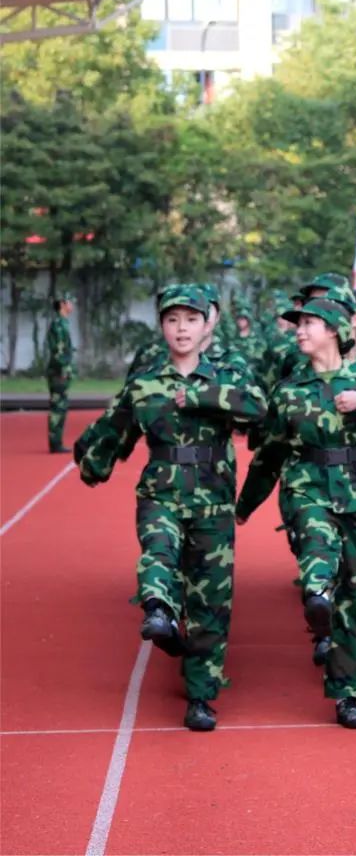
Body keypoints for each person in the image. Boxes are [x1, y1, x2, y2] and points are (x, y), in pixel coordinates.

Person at [75, 285, 266, 731]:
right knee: (158, 550)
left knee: (210, 601)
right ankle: (158, 609)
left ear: (207, 324)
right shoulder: (144, 383)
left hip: (213, 502)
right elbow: (115, 430)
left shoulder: (227, 375)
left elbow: (260, 408)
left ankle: (200, 695)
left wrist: (201, 397)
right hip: (160, 492)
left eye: (191, 320)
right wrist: (93, 464)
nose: (181, 329)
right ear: (161, 325)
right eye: (173, 320)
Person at [235, 297, 356, 729]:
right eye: (298, 324)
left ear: (336, 330)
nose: (300, 330)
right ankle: (318, 592)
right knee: (317, 549)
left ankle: (346, 691)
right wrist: (246, 504)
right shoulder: (289, 390)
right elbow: (270, 455)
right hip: (309, 489)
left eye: (310, 323)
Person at [45, 294, 76, 453]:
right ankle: (55, 442)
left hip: (61, 371)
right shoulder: (58, 324)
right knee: (58, 406)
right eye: (69, 302)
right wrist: (63, 369)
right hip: (58, 372)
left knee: (61, 406)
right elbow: (58, 350)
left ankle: (57, 441)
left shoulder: (63, 323)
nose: (72, 305)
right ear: (62, 304)